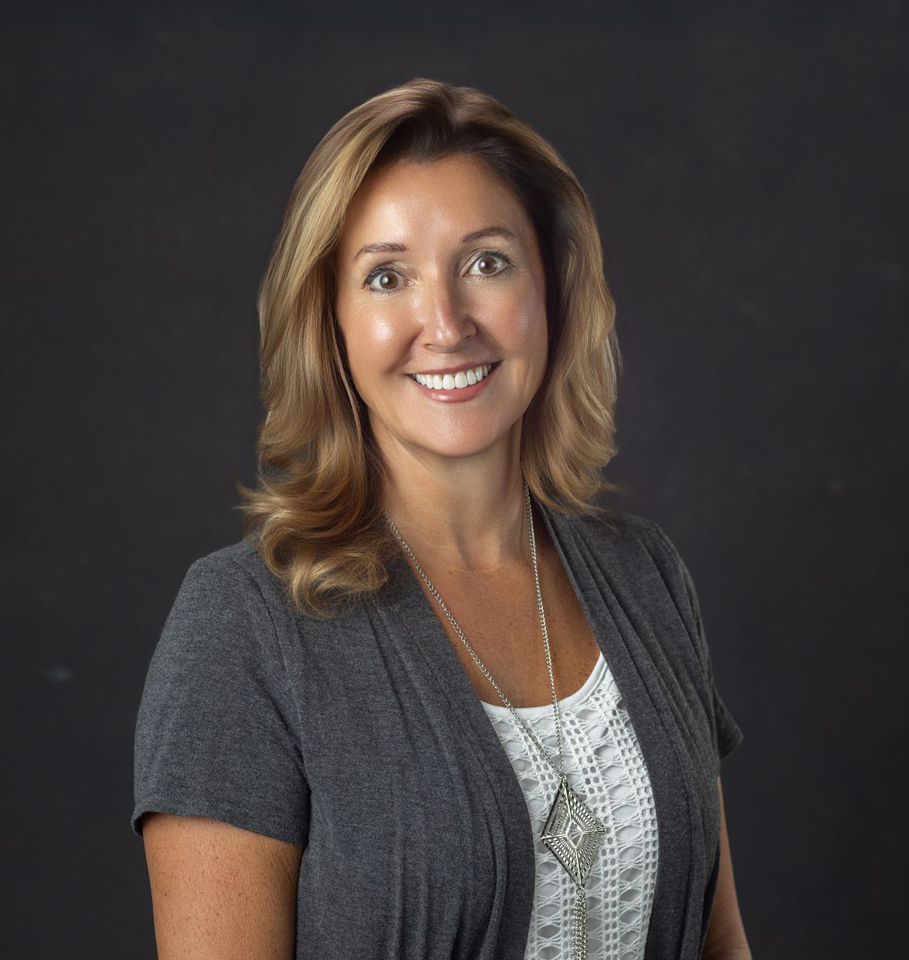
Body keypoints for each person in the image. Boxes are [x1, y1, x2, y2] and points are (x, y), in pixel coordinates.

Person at [131, 77, 751, 960]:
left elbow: (720, 942)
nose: (445, 322)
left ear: (553, 289)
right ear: (331, 324)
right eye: (387, 277)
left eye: (486, 262)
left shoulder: (643, 574)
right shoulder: (241, 628)